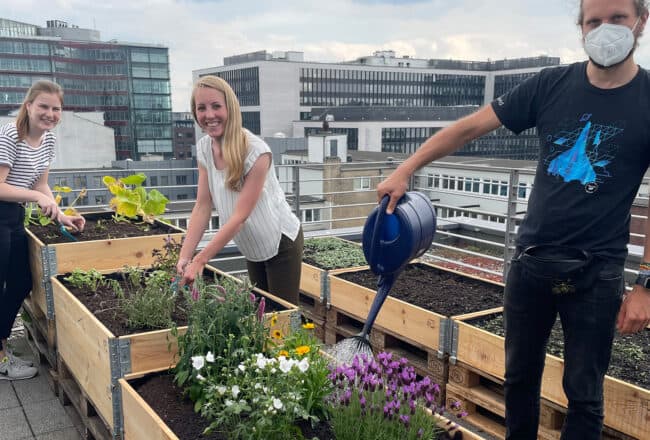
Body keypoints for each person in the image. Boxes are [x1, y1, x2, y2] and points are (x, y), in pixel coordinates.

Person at [377, 0, 650, 438]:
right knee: (518, 380)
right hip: (530, 264)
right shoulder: (549, 85)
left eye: (616, 18)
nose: (605, 29)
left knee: (584, 396)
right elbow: (469, 127)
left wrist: (645, 285)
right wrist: (407, 167)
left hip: (596, 274)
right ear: (580, 27)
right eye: (593, 20)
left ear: (641, 20)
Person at [177, 76, 303, 305]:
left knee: (281, 322)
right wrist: (185, 256)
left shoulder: (256, 152)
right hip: (252, 245)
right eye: (201, 108)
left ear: (230, 109)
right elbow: (203, 206)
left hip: (280, 242)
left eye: (216, 106)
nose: (209, 115)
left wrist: (201, 260)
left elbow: (240, 217)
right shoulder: (205, 148)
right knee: (259, 319)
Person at [0, 80, 85, 380]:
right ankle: (1, 358)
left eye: (55, 108)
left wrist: (61, 215)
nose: (49, 113)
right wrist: (37, 198)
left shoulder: (48, 140)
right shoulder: (10, 135)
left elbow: (40, 185)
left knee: (22, 281)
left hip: (13, 215)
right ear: (29, 106)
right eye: (43, 106)